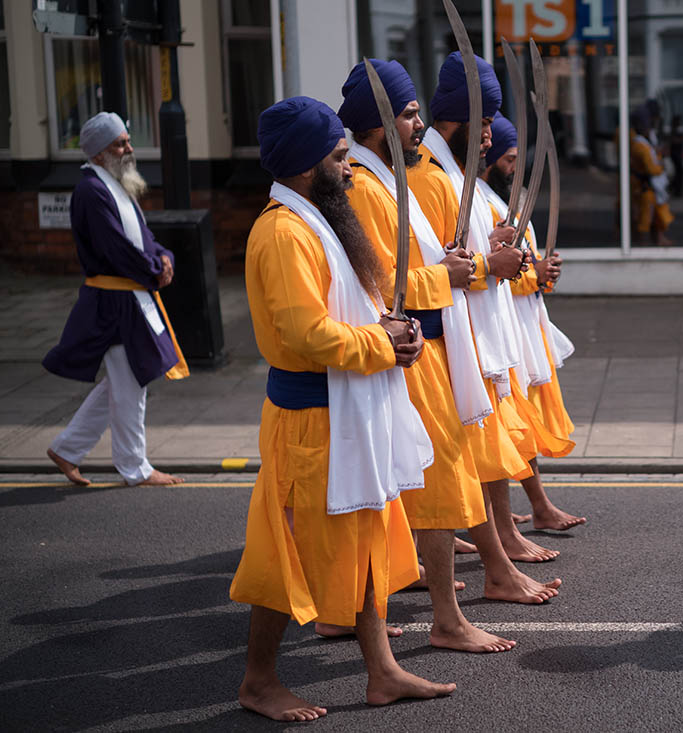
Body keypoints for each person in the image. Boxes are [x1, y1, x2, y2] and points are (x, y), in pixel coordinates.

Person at [228, 96, 454, 720]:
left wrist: (392, 328)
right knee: (292, 549)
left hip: (350, 406)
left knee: (364, 533)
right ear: (305, 165)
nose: (349, 164)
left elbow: (352, 306)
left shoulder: (323, 218)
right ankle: (258, 682)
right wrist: (384, 344)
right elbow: (307, 336)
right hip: (309, 421)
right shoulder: (282, 233)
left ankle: (381, 671)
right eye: (337, 155)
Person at [338, 58, 515, 652]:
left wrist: (464, 264)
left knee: (420, 491)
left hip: (427, 351)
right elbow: (384, 285)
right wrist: (459, 273)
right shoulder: (363, 189)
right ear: (377, 127)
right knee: (428, 491)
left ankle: (360, 611)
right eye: (410, 114)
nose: (419, 125)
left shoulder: (394, 180)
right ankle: (445, 618)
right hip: (407, 352)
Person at [409, 50, 564, 595]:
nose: (489, 137)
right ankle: (495, 565)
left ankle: (501, 549)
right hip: (448, 337)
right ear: (450, 118)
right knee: (459, 459)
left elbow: (460, 252)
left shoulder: (453, 173)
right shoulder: (429, 179)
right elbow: (428, 270)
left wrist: (494, 250)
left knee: (481, 449)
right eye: (480, 126)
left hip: (476, 331)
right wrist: (487, 263)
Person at [43, 111, 188, 488]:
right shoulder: (92, 191)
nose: (128, 148)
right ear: (97, 153)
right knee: (129, 386)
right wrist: (155, 269)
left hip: (127, 298)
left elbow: (143, 237)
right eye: (119, 143)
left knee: (122, 383)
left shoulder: (112, 184)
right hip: (114, 303)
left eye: (127, 140)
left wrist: (164, 257)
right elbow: (115, 248)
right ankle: (135, 468)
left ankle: (67, 449)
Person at [480, 113, 586, 536]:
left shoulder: (506, 202)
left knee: (519, 422)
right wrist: (532, 274)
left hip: (524, 322)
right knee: (510, 423)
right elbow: (495, 272)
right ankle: (516, 514)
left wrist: (542, 273)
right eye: (508, 160)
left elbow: (522, 264)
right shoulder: (483, 205)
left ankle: (525, 508)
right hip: (503, 327)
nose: (513, 169)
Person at [628, 106, 673, 246]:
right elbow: (651, 168)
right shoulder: (640, 145)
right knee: (645, 218)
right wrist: (661, 166)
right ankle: (642, 244)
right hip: (645, 187)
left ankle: (657, 239)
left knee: (656, 216)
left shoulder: (643, 143)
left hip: (649, 187)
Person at [668, 114, 683, 198]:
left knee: (680, 173)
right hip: (675, 153)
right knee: (679, 172)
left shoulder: (678, 130)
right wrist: (681, 139)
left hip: (678, 153)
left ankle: (677, 189)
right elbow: (674, 141)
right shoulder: (674, 130)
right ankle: (674, 188)